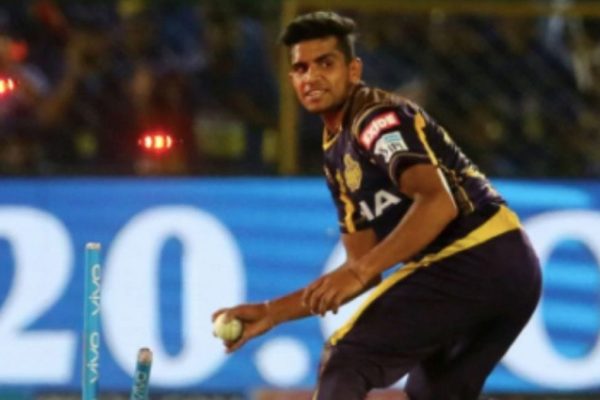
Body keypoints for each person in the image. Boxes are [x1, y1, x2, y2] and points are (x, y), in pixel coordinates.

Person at [212, 11, 541, 400]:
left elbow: (438, 203)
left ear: (354, 70)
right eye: (301, 68)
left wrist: (360, 270)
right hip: (512, 269)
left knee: (347, 358)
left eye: (326, 64)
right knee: (433, 391)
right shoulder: (336, 153)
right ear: (292, 80)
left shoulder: (375, 120)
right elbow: (360, 268)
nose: (312, 77)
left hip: (474, 256)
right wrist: (271, 312)